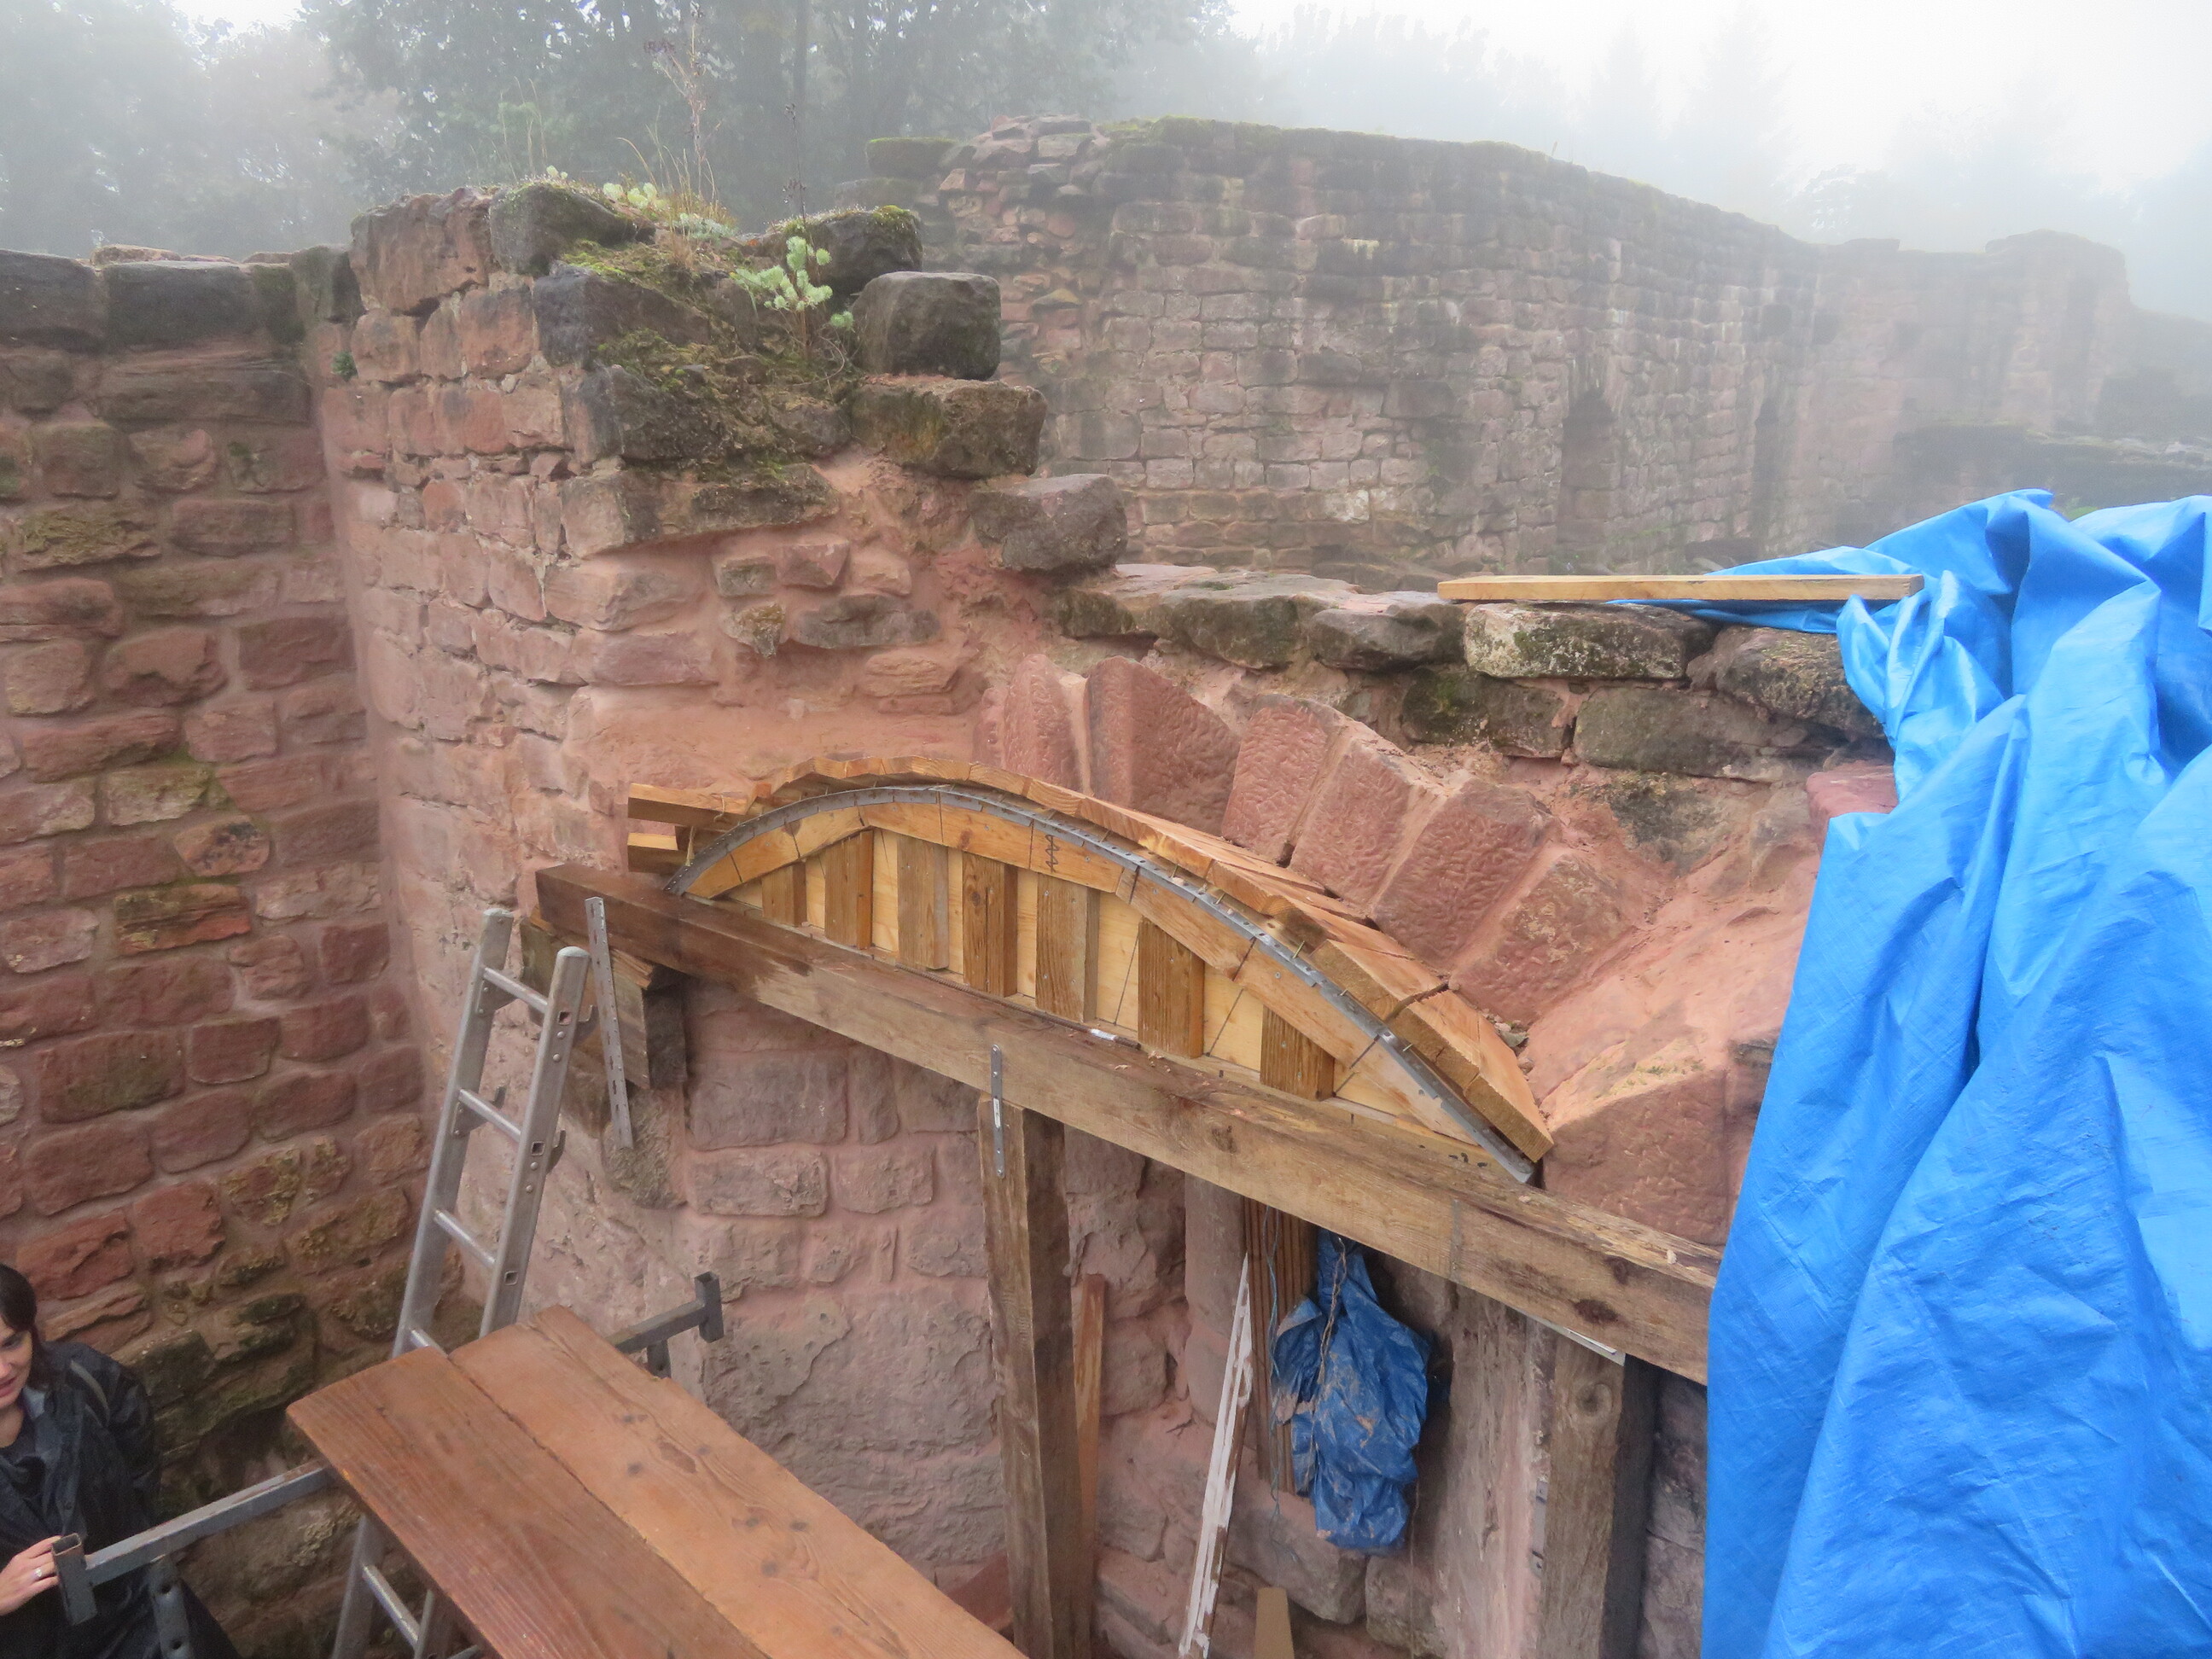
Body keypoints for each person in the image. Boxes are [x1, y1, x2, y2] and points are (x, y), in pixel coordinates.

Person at [0, 1264, 239, 1659]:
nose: (3, 1370)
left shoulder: (82, 1379)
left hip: (143, 1615)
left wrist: (126, 1537)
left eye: (12, 1343)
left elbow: (137, 1455)